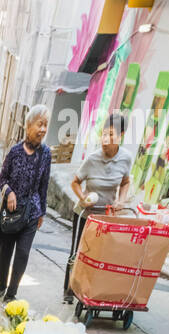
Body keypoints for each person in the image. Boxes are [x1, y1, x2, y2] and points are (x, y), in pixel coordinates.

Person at [63, 112, 132, 301]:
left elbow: (125, 182)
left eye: (111, 135)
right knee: (77, 253)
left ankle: (88, 292)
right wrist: (83, 197)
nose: (106, 139)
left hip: (106, 218)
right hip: (85, 214)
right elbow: (75, 182)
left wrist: (121, 200)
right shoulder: (92, 159)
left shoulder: (125, 158)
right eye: (104, 134)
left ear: (121, 136)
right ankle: (69, 291)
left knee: (98, 257)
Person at [0, 104, 52, 301]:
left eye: (46, 125)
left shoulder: (46, 154)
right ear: (28, 126)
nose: (43, 129)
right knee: (5, 254)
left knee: (22, 254)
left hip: (31, 211)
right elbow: (2, 178)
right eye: (39, 124)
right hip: (11, 212)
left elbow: (44, 184)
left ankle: (11, 294)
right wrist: (9, 192)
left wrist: (42, 212)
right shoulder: (15, 152)